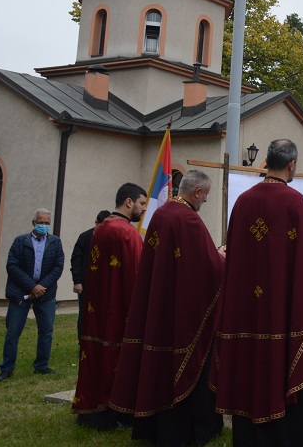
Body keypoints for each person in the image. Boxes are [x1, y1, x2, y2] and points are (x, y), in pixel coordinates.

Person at [211, 139, 303, 446]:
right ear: (291, 164)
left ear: (266, 160)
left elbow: (237, 257)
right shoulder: (294, 203)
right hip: (285, 316)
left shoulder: (243, 202)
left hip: (248, 317)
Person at [110, 170, 225, 445]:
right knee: (189, 366)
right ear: (197, 192)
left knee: (158, 367)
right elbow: (208, 268)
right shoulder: (188, 219)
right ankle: (190, 428)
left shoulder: (162, 214)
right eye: (206, 195)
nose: (206, 201)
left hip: (161, 304)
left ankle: (153, 427)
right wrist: (223, 258)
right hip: (184, 314)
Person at [73, 183, 146, 429]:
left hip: (97, 310)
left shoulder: (101, 229)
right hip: (120, 312)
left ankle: (90, 411)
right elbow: (138, 275)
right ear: (128, 202)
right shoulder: (127, 233)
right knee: (116, 360)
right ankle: (116, 414)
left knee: (95, 357)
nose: (143, 209)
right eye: (141, 203)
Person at [0, 209, 65, 382]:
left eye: (47, 223)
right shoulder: (20, 241)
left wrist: (42, 286)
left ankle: (42, 365)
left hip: (46, 294)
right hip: (20, 293)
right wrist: (32, 286)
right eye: (41, 222)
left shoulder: (55, 242)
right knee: (12, 332)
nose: (44, 225)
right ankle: (7, 368)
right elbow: (12, 266)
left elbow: (58, 266)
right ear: (33, 222)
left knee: (46, 331)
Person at [70, 210, 111, 341]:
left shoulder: (110, 238)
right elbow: (75, 260)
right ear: (96, 223)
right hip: (85, 283)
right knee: (84, 314)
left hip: (103, 283)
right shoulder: (85, 237)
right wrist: (77, 281)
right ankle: (82, 343)